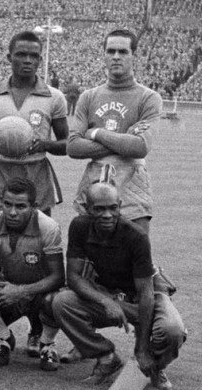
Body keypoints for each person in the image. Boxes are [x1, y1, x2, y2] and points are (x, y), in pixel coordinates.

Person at [0, 29, 68, 355]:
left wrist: (43, 143)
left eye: (33, 56)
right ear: (9, 57)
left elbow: (65, 143)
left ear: (39, 60)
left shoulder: (53, 97)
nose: (28, 61)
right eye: (21, 55)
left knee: (38, 254)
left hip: (36, 174)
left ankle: (36, 328)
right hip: (1, 174)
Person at [52, 182, 185, 390]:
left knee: (172, 330)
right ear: (87, 209)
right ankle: (107, 358)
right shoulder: (79, 226)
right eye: (99, 209)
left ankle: (153, 365)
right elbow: (74, 277)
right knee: (62, 302)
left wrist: (142, 348)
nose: (107, 215)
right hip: (109, 292)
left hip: (145, 295)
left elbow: (146, 294)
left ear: (120, 206)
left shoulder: (136, 236)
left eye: (112, 208)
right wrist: (106, 302)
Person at [67, 29, 162, 236]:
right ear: (104, 55)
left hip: (132, 187)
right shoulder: (89, 97)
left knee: (135, 251)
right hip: (94, 185)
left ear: (134, 55)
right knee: (90, 251)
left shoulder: (148, 98)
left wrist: (96, 133)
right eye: (111, 51)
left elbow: (140, 147)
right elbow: (73, 146)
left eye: (123, 51)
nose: (116, 56)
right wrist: (123, 139)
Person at [0, 177, 65, 369]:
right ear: (0, 202)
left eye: (20, 206)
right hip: (5, 288)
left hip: (39, 292)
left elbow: (58, 277)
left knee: (56, 299)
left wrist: (21, 291)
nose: (12, 212)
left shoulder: (48, 227)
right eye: (7, 204)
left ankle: (47, 344)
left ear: (34, 206)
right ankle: (3, 338)